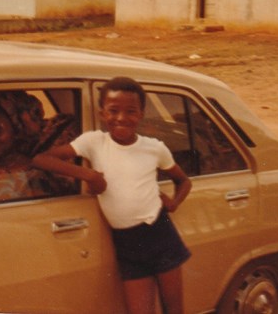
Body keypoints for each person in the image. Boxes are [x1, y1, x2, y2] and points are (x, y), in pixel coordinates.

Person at [32, 77, 192, 314]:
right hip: (126, 243)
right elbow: (42, 159)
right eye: (113, 111)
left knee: (174, 309)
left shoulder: (154, 148)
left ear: (141, 114)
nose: (121, 118)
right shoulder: (94, 142)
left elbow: (183, 181)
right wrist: (89, 175)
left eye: (130, 111)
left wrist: (174, 202)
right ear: (102, 113)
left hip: (160, 234)